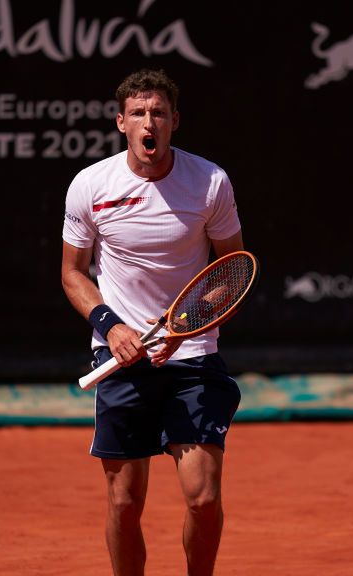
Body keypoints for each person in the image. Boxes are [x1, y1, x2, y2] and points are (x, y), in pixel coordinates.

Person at [60, 69, 244, 576]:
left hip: (192, 356)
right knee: (124, 501)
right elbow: (73, 274)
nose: (149, 122)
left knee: (203, 499)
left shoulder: (210, 183)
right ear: (122, 122)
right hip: (120, 357)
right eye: (138, 113)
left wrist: (187, 326)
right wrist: (112, 326)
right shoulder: (91, 185)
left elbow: (232, 269)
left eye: (158, 112)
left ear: (174, 122)